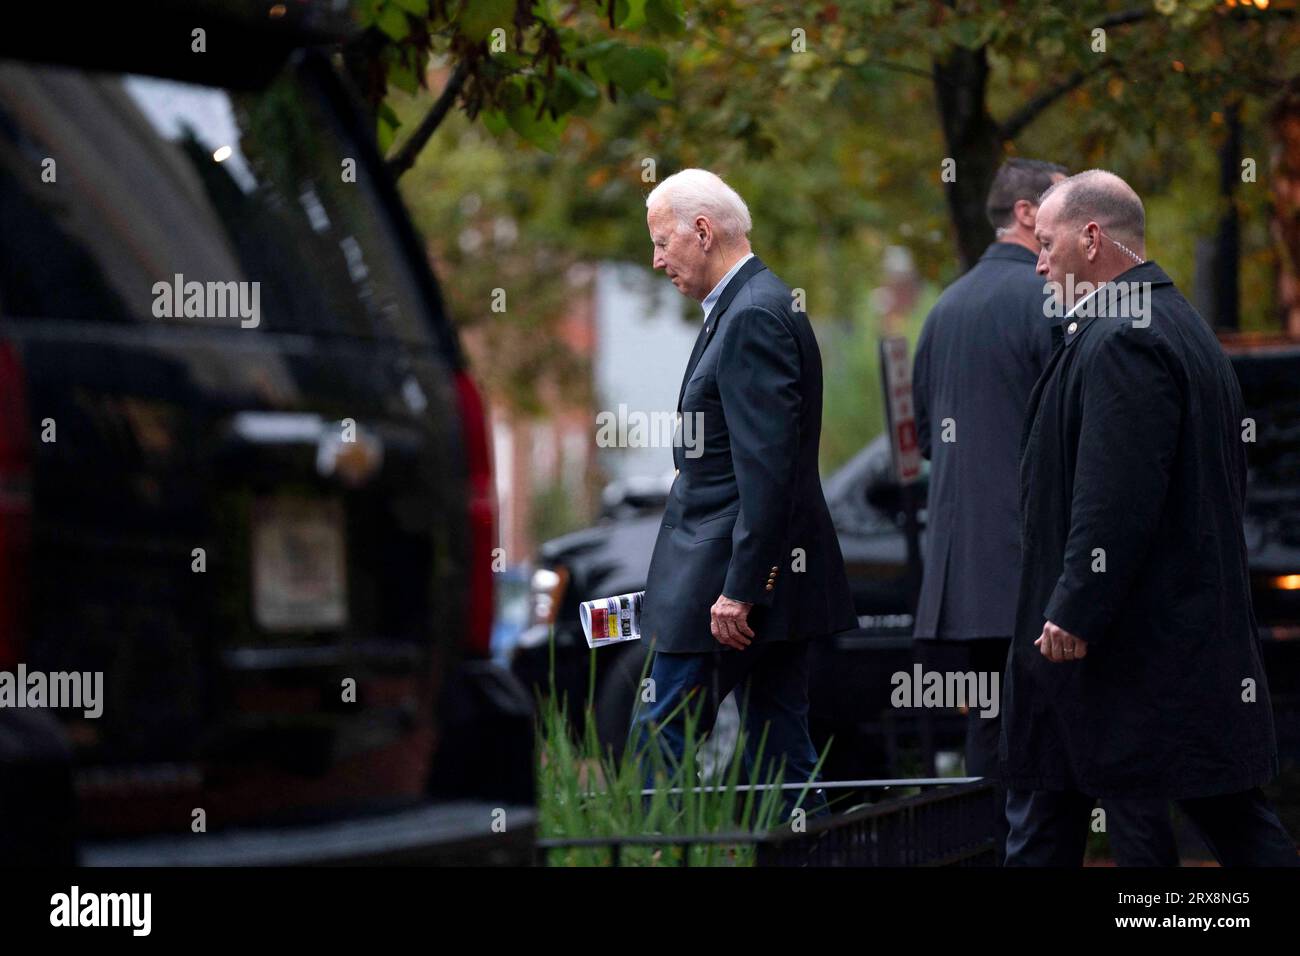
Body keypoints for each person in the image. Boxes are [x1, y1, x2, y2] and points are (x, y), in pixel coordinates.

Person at [1003, 169, 1298, 866]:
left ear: (1093, 237)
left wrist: (1075, 606)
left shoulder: (1125, 338)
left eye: (1046, 245)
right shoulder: (1170, 322)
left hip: (1128, 649)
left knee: (1227, 822)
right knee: (1065, 818)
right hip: (1147, 644)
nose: (1038, 263)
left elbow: (1116, 494)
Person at [914, 159, 1178, 865]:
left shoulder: (944, 309)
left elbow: (921, 434)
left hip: (966, 584)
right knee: (1089, 761)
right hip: (1045, 581)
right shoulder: (1060, 304)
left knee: (997, 754)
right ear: (1030, 214)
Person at [628, 169, 857, 821]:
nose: (656, 259)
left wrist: (742, 587)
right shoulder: (755, 303)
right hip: (747, 580)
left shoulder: (753, 313)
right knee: (781, 750)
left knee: (660, 743)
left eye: (662, 242)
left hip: (722, 587)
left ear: (702, 232)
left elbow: (769, 470)